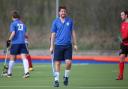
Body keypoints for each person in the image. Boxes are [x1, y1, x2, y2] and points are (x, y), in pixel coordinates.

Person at [50, 6, 78, 87]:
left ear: (66, 12)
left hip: (68, 46)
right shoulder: (55, 22)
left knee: (69, 63)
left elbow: (73, 33)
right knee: (57, 63)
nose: (63, 13)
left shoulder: (70, 21)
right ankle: (56, 81)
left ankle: (66, 76)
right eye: (61, 11)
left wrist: (75, 44)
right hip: (58, 45)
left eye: (64, 11)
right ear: (59, 12)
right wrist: (51, 46)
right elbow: (53, 34)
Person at [5, 11, 30, 78]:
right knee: (24, 58)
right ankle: (26, 72)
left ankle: (9, 73)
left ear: (12, 17)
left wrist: (9, 40)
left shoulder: (13, 24)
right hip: (22, 43)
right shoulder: (23, 24)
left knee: (12, 58)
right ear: (19, 17)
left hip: (15, 43)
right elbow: (26, 35)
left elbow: (13, 33)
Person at [116, 10, 128, 80]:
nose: (121, 16)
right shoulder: (122, 24)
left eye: (122, 15)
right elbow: (123, 35)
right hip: (124, 44)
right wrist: (123, 41)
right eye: (121, 15)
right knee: (121, 58)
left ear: (126, 15)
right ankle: (121, 75)